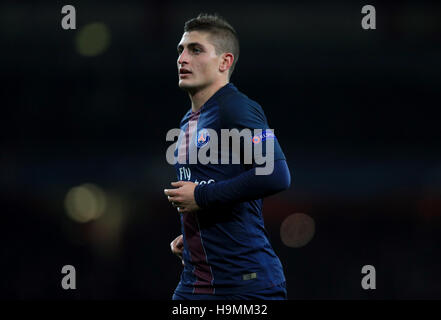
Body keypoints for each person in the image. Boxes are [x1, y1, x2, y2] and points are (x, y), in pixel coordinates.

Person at [164, 13, 291, 300]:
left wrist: (202, 198)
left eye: (196, 50)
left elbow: (276, 173)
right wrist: (196, 236)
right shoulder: (189, 120)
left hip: (243, 284)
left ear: (225, 62)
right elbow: (214, 184)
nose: (182, 58)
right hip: (197, 279)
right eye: (181, 50)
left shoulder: (238, 108)